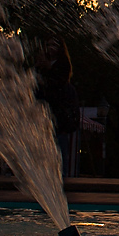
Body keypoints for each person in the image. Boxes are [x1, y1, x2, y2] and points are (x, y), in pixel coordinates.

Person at [36, 37, 80, 177]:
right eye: (48, 44)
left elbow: (59, 83)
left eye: (54, 45)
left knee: (59, 154)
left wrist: (48, 67)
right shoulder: (41, 66)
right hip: (45, 117)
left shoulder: (61, 66)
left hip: (58, 120)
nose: (50, 48)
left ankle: (61, 178)